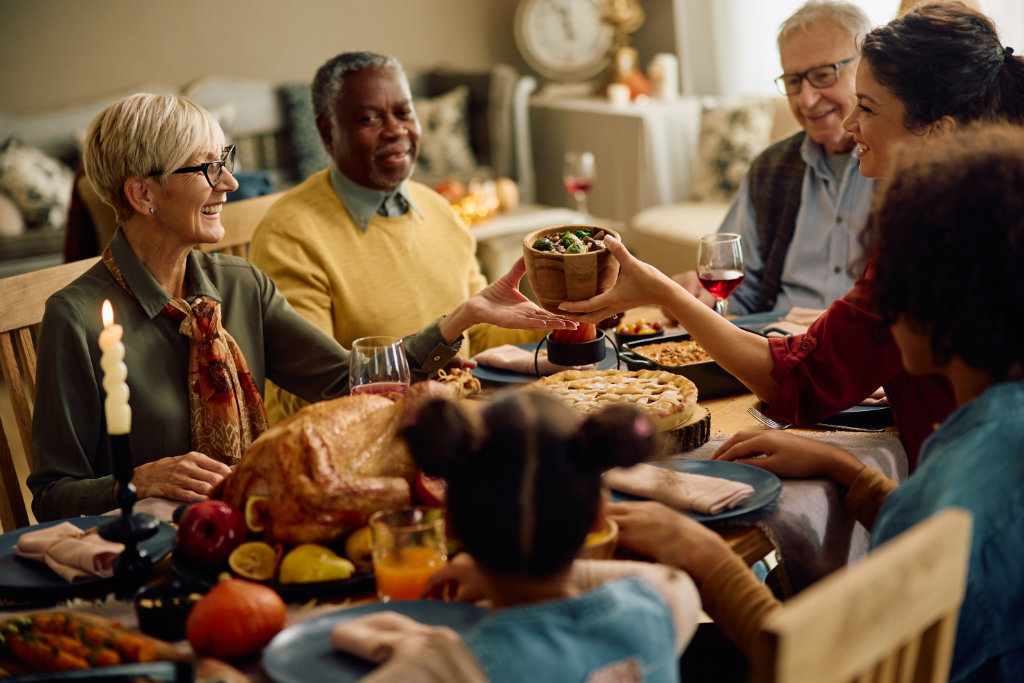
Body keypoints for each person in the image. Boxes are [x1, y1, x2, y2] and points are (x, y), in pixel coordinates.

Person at [27, 93, 574, 522]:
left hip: (260, 522)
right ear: (143, 194)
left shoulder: (241, 287)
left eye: (227, 162)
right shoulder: (75, 317)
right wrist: (136, 481)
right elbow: (52, 497)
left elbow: (347, 380)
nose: (231, 183)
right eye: (206, 170)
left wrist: (465, 315)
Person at [612, 123, 1024, 683]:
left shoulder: (972, 480)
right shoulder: (992, 432)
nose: (882, 310)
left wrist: (704, 557)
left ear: (942, 303)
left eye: (892, 285)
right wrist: (844, 469)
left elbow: (836, 665)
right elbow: (930, 545)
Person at [563, 2, 1024, 468]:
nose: (847, 122)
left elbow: (801, 380)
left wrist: (658, 287)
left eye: (865, 106)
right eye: (793, 81)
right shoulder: (981, 211)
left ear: (937, 132)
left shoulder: (929, 242)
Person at [249, 51, 536, 423]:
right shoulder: (289, 234)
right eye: (370, 118)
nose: (395, 130)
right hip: (352, 446)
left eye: (404, 113)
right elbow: (304, 398)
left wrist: (576, 318)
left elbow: (479, 339)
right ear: (327, 131)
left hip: (452, 426)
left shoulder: (438, 209)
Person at [351, 391, 700, 682]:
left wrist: (412, 651)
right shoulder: (664, 606)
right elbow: (661, 579)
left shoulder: (439, 672)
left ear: (450, 525)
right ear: (598, 518)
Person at [672, 0, 875, 316]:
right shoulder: (769, 168)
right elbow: (739, 288)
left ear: (867, 67)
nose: (806, 99)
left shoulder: (902, 165)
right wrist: (700, 295)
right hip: (773, 344)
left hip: (861, 351)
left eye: (823, 75)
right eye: (794, 82)